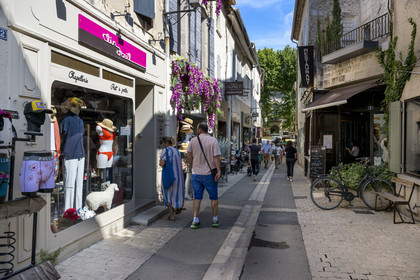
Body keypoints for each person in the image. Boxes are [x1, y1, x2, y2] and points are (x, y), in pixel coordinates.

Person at [187, 122, 221, 229]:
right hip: (209, 174)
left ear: (199, 130)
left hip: (196, 174)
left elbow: (189, 155)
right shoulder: (213, 141)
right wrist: (219, 170)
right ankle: (215, 219)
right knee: (213, 197)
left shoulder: (193, 141)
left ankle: (195, 219)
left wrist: (192, 166)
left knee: (197, 197)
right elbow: (216, 157)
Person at [159, 136, 184, 221]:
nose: (163, 145)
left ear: (165, 143)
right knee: (176, 194)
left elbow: (162, 163)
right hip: (178, 177)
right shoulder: (177, 151)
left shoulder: (165, 151)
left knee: (168, 195)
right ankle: (178, 207)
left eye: (163, 143)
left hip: (169, 176)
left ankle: (171, 216)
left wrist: (160, 162)